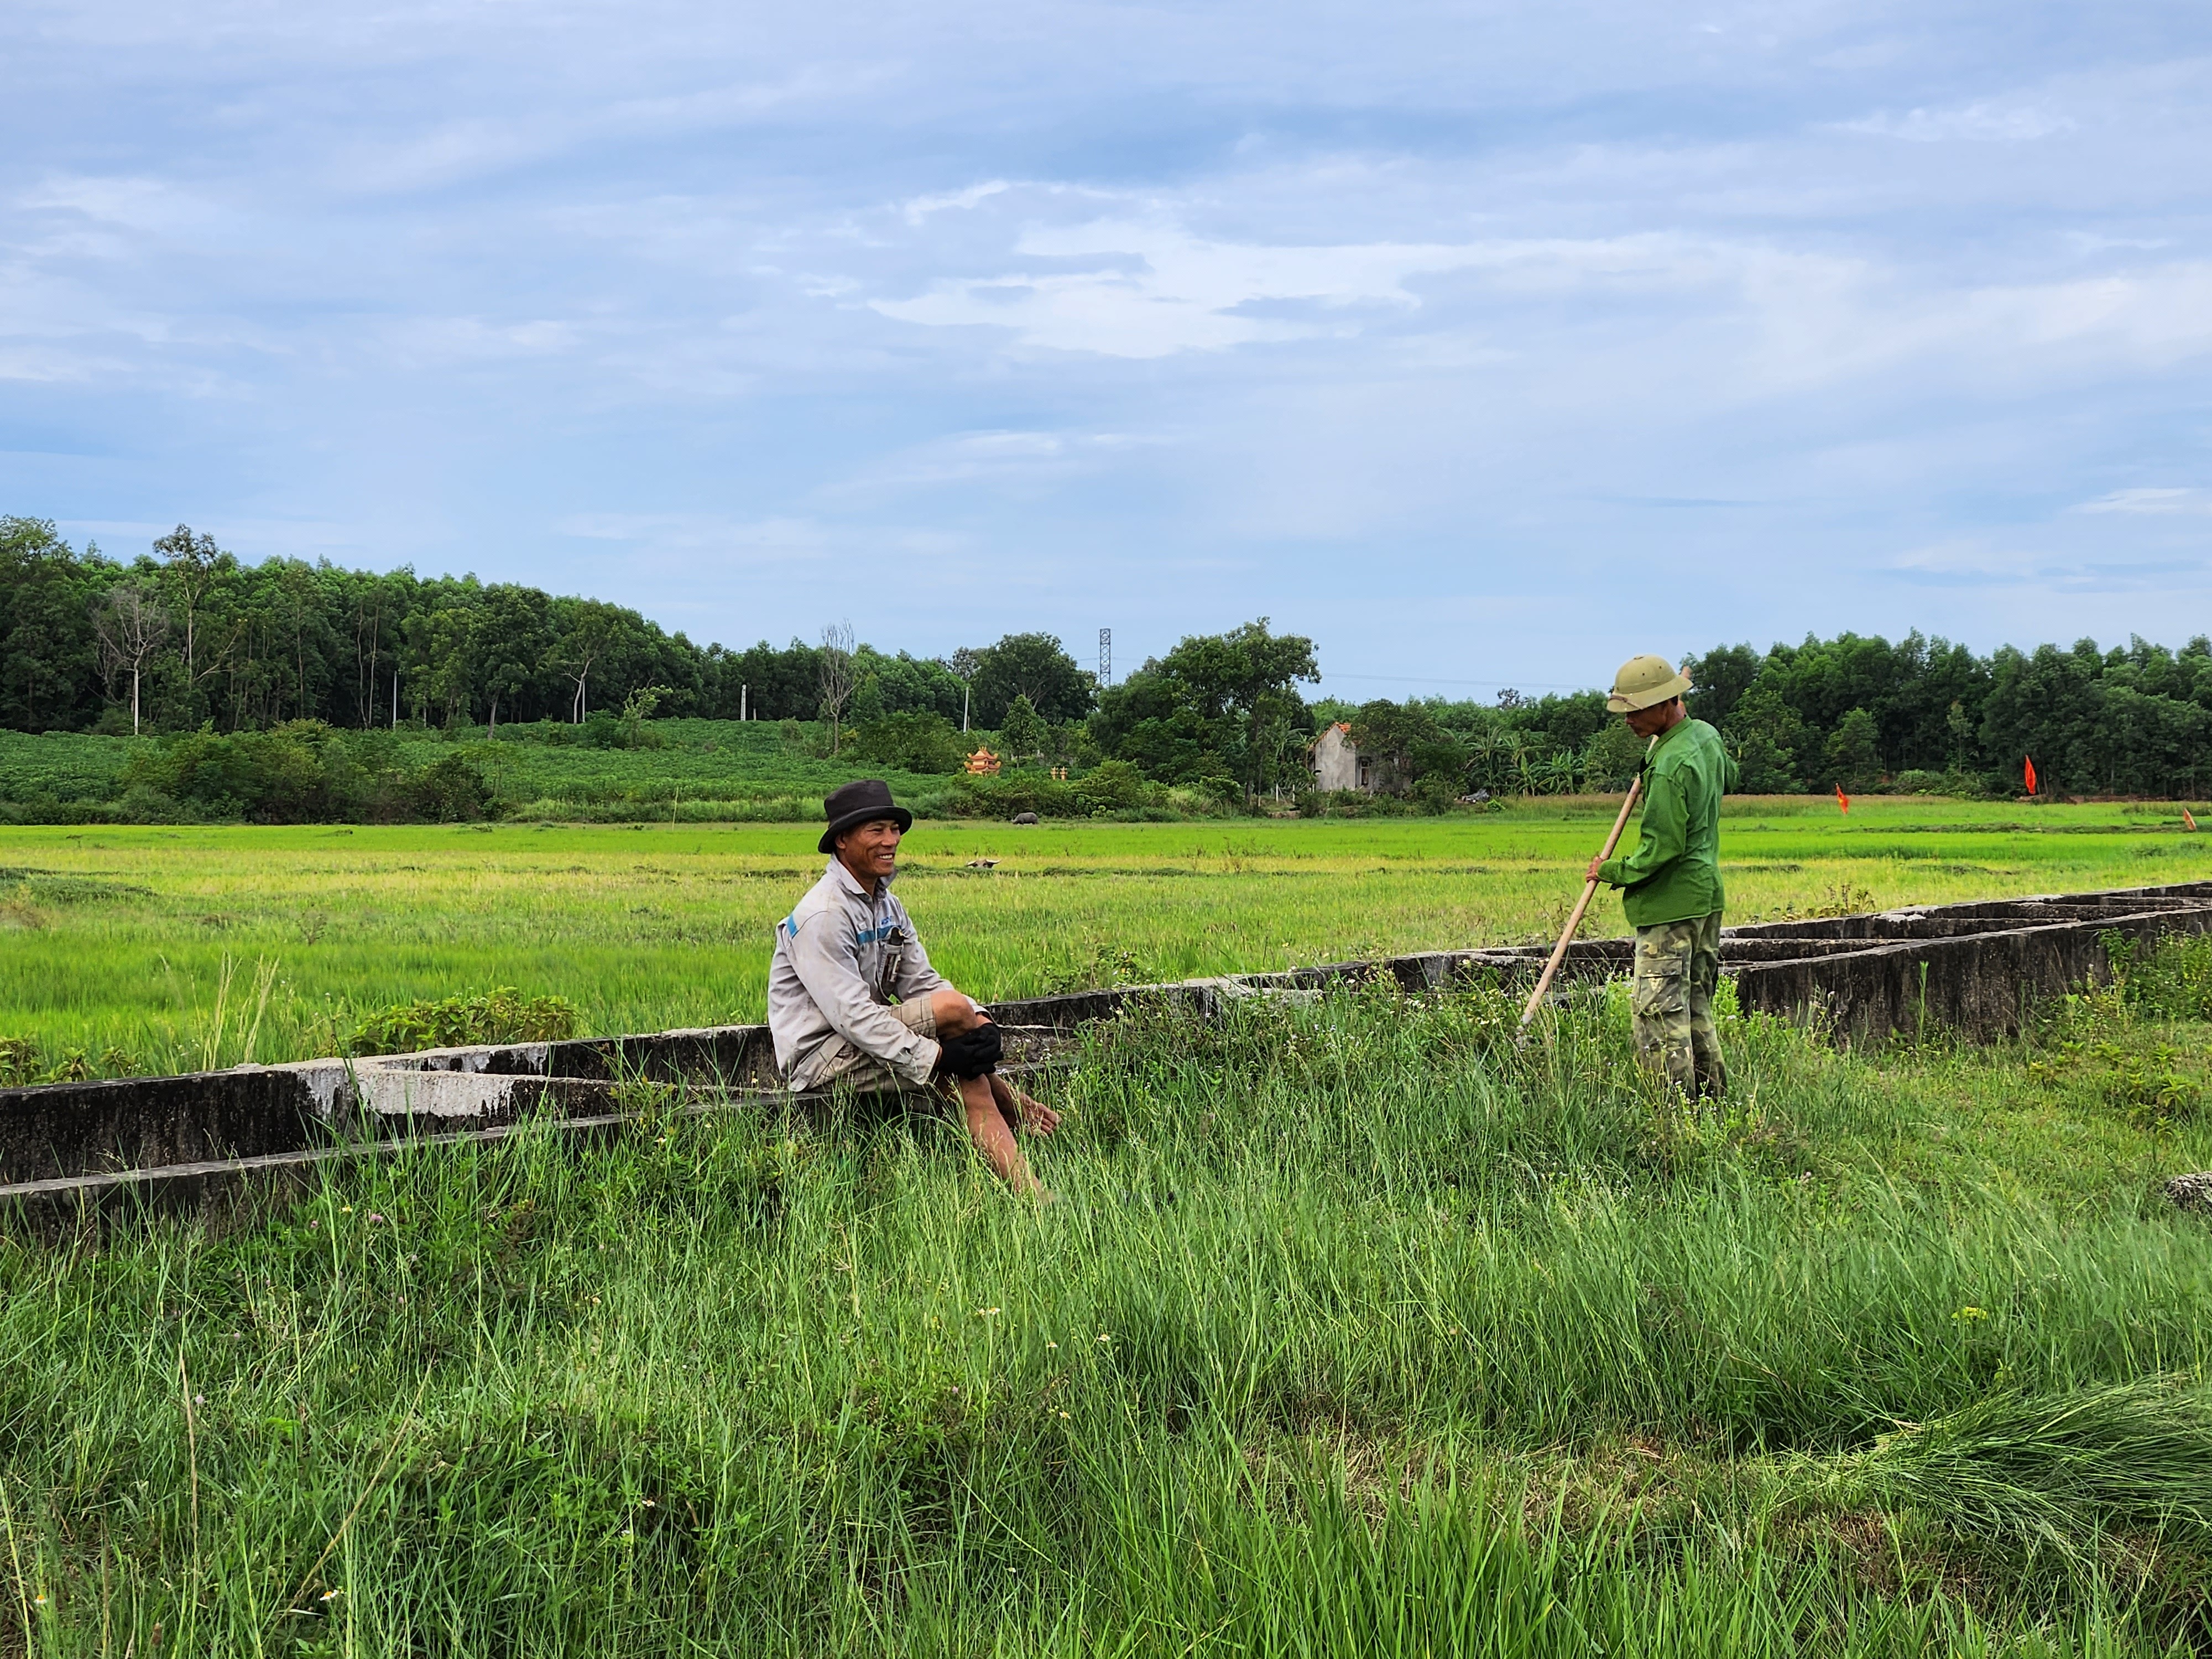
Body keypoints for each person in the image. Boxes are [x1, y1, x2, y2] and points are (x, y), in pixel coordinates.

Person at [768, 779, 1060, 1194]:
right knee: (957, 1043)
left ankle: (1032, 1187)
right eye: (876, 831)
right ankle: (1028, 1166)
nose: (891, 841)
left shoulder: (887, 905)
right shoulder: (824, 915)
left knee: (963, 1034)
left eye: (894, 829)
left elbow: (922, 981)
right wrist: (936, 1057)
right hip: (821, 1055)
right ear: (842, 842)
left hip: (866, 1039)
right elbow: (853, 1017)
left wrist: (981, 1023)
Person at [1584, 655, 1740, 1098]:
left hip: (1672, 904)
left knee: (1658, 1017)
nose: (1629, 721)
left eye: (1637, 711)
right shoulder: (1705, 738)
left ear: (1668, 703)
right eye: (1626, 712)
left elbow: (1662, 848)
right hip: (1705, 897)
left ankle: (1671, 1115)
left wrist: (1610, 870)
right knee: (1693, 1006)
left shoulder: (1671, 766)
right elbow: (1731, 775)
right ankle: (1712, 1104)